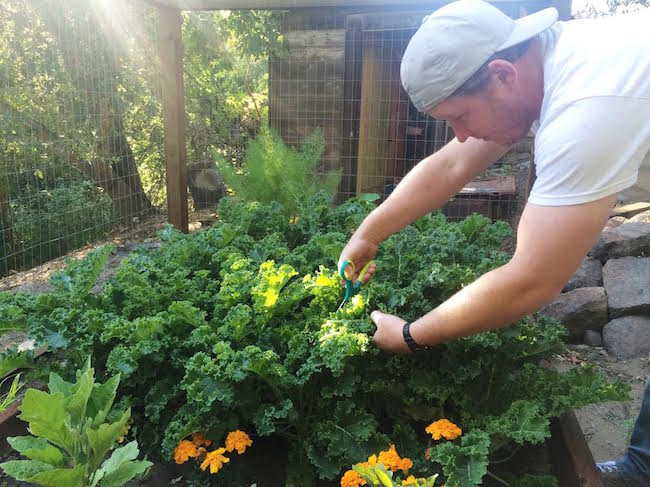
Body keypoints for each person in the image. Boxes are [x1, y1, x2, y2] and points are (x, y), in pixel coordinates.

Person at [336, 1, 650, 485]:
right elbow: (451, 165)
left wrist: (410, 336)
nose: (460, 135)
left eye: (460, 117)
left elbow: (532, 280)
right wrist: (366, 234)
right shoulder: (536, 66)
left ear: (502, 74)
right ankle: (642, 465)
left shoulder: (587, 112)